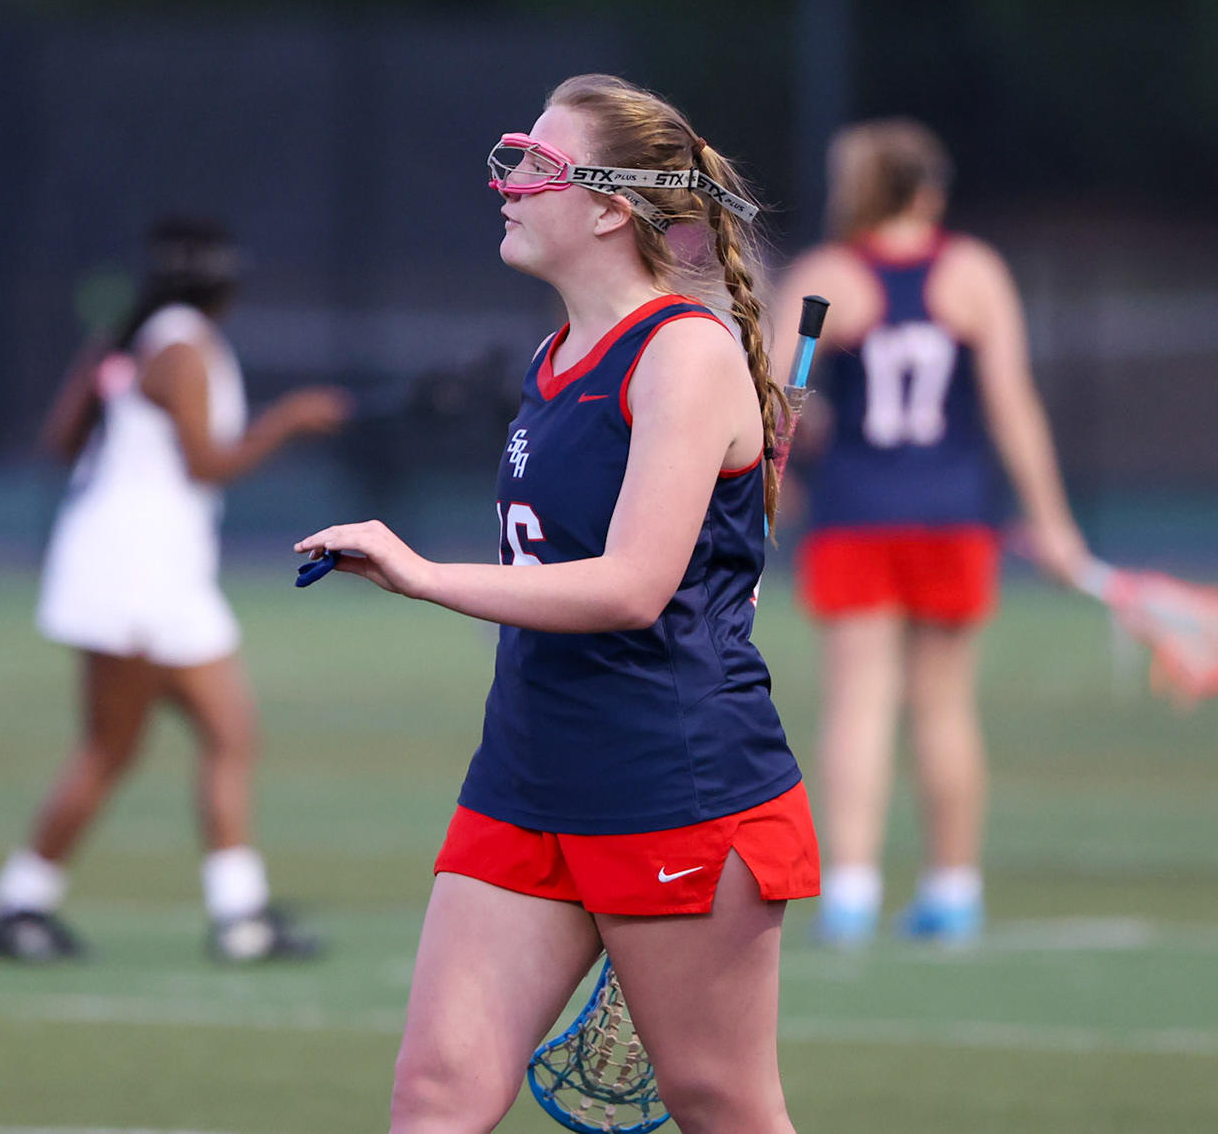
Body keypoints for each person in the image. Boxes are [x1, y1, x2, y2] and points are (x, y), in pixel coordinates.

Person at [295, 75, 819, 1134]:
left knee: (720, 1102)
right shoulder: (551, 361)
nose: (506, 185)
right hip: (527, 776)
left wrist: (427, 575)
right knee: (436, 1090)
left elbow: (631, 589)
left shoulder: (686, 355)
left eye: (533, 164)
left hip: (675, 783)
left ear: (609, 204)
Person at [0, 215, 350, 962]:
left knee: (230, 732)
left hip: (161, 571)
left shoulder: (128, 336)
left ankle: (240, 917)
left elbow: (61, 440)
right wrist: (287, 421)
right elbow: (204, 465)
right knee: (111, 748)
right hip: (135, 572)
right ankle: (19, 905)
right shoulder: (181, 345)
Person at [771, 119, 1089, 948]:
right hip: (953, 514)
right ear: (929, 190)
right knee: (945, 706)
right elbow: (1013, 403)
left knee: (858, 702)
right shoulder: (974, 273)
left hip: (855, 514)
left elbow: (777, 397)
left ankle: (849, 891)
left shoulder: (828, 274)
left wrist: (782, 475)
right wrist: (1053, 521)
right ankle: (953, 889)